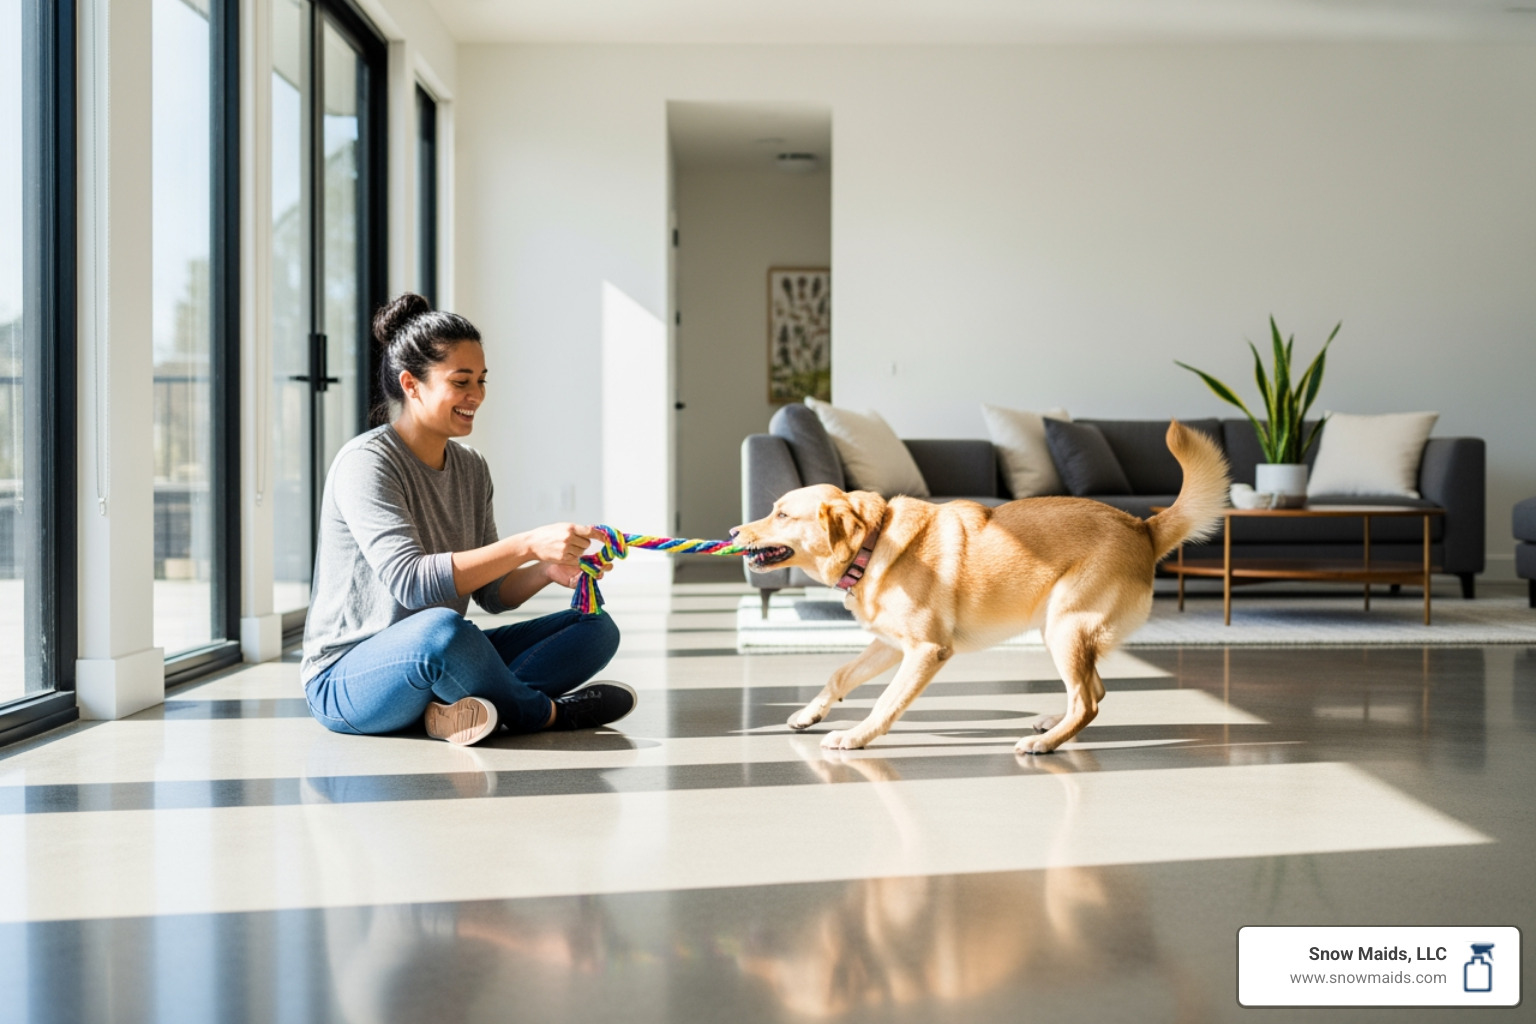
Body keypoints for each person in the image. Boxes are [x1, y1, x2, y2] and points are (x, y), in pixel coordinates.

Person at [301, 293, 635, 746]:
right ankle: (546, 714)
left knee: (594, 630)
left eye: (481, 380)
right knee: (442, 631)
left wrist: (544, 570)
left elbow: (492, 595)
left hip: (439, 653)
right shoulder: (366, 463)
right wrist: (528, 544)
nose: (476, 395)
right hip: (348, 678)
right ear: (411, 384)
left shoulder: (471, 467)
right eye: (461, 382)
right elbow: (414, 583)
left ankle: (457, 709)